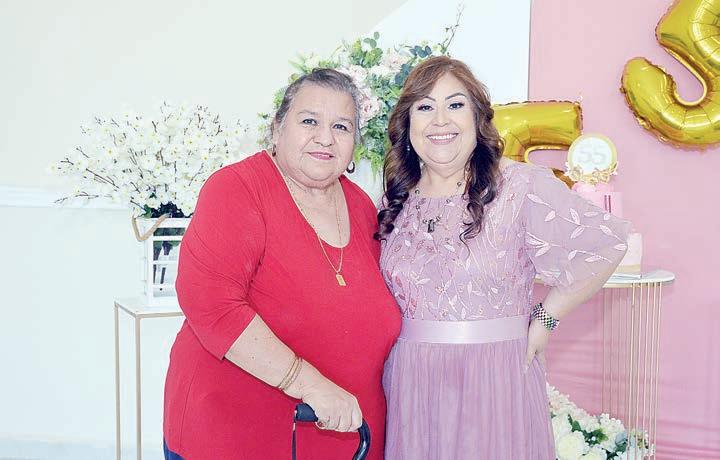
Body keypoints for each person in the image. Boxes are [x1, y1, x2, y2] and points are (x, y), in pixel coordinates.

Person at [376, 56, 631, 459]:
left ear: (477, 118)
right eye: (425, 106)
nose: (440, 120)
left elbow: (606, 243)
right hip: (413, 383)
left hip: (496, 379)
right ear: (407, 125)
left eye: (455, 104)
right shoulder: (396, 198)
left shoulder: (518, 186)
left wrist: (546, 318)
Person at [163, 68, 401, 459]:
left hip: (347, 440)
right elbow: (212, 305)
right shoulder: (236, 189)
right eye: (309, 121)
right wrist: (309, 384)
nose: (325, 137)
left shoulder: (361, 206)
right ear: (277, 129)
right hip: (234, 438)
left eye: (341, 127)